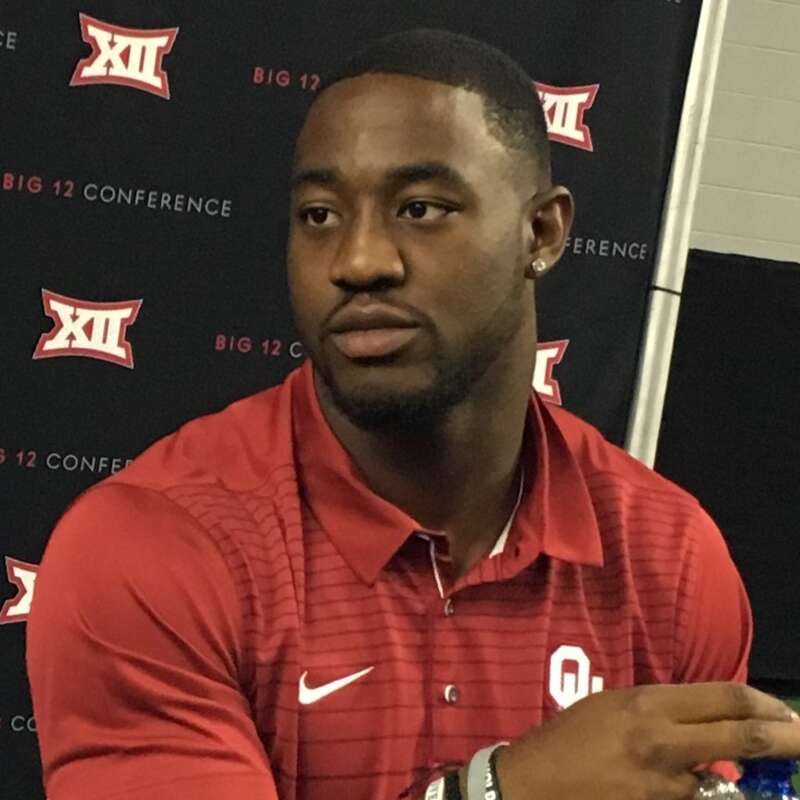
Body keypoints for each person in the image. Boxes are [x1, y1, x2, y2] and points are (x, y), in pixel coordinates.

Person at [26, 27, 800, 800]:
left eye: (420, 208)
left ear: (542, 232)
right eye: (320, 215)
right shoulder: (152, 544)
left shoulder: (670, 562)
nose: (359, 261)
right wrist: (498, 791)